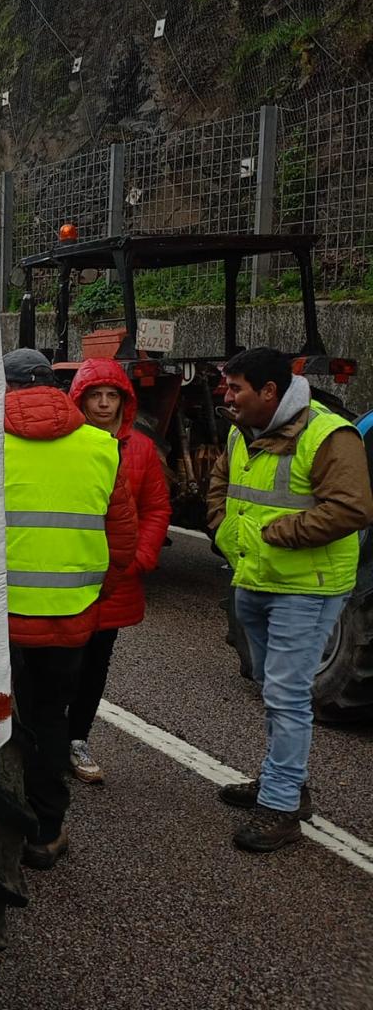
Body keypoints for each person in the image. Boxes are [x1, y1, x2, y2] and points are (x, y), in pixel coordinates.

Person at [207, 347, 372, 852]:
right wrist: (223, 531)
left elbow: (352, 507)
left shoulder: (328, 435)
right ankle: (285, 779)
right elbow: (220, 483)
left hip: (307, 585)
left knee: (286, 693)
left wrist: (283, 534)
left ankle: (280, 805)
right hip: (253, 578)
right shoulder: (242, 430)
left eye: (236, 388)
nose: (226, 396)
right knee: (268, 684)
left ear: (270, 392)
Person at [2, 348, 137, 869]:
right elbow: (122, 546)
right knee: (51, 718)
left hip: (2, 622)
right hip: (72, 620)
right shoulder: (102, 446)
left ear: (6, 388)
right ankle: (45, 831)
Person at [65, 359, 172, 783]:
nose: (105, 404)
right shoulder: (65, 442)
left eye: (113, 396)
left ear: (125, 401)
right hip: (69, 573)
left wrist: (140, 556)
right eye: (96, 395)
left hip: (115, 580)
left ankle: (77, 739)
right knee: (57, 665)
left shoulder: (142, 449)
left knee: (95, 665)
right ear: (81, 399)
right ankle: (46, 740)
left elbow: (156, 507)